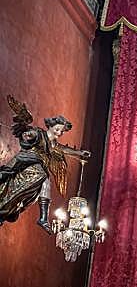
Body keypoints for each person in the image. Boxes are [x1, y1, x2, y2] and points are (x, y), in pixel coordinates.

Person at [0, 98, 90, 232]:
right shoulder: (39, 133)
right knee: (43, 174)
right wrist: (27, 132)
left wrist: (79, 153)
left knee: (46, 181)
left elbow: (64, 149)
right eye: (58, 129)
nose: (59, 133)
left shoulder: (53, 145)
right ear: (51, 126)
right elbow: (26, 134)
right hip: (27, 160)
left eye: (62, 131)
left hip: (38, 170)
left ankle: (43, 218)